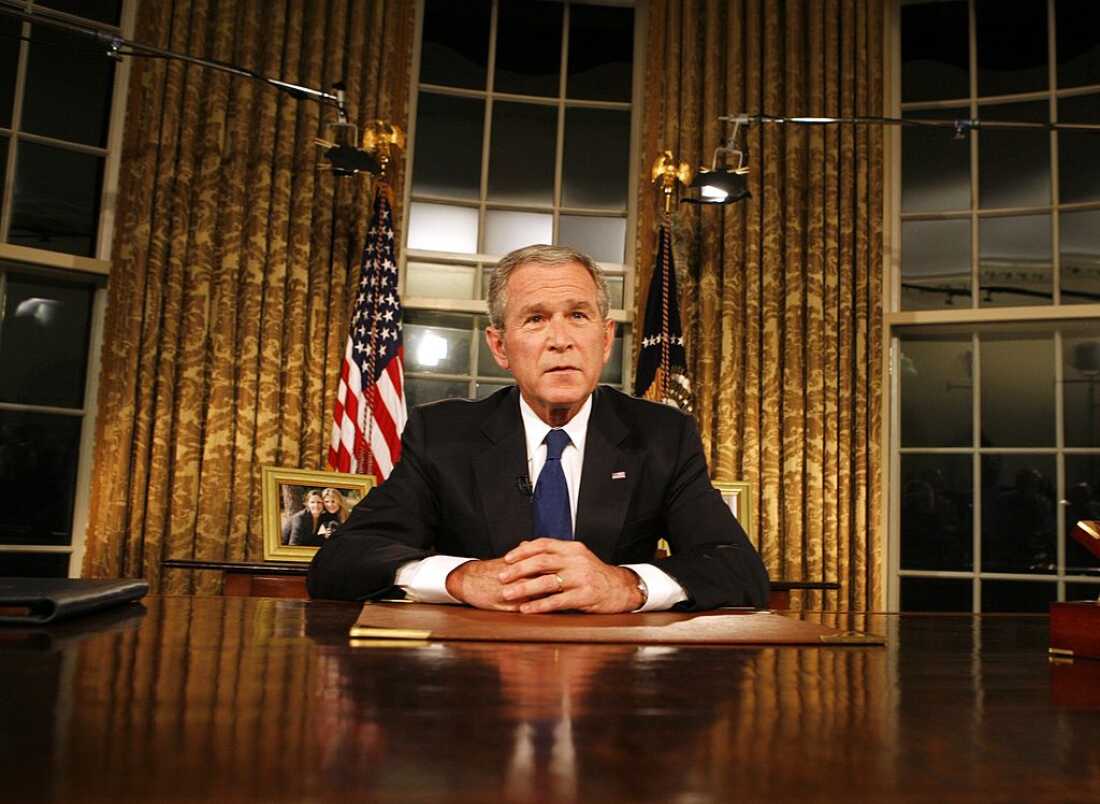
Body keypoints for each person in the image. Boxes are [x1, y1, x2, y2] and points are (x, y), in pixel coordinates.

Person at [308, 244, 769, 612]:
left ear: (605, 339)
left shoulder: (663, 435)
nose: (561, 339)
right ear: (500, 346)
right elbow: (341, 560)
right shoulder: (443, 435)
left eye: (579, 315)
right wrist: (459, 577)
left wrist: (627, 585)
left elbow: (737, 569)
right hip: (478, 682)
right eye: (535, 319)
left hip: (616, 687)